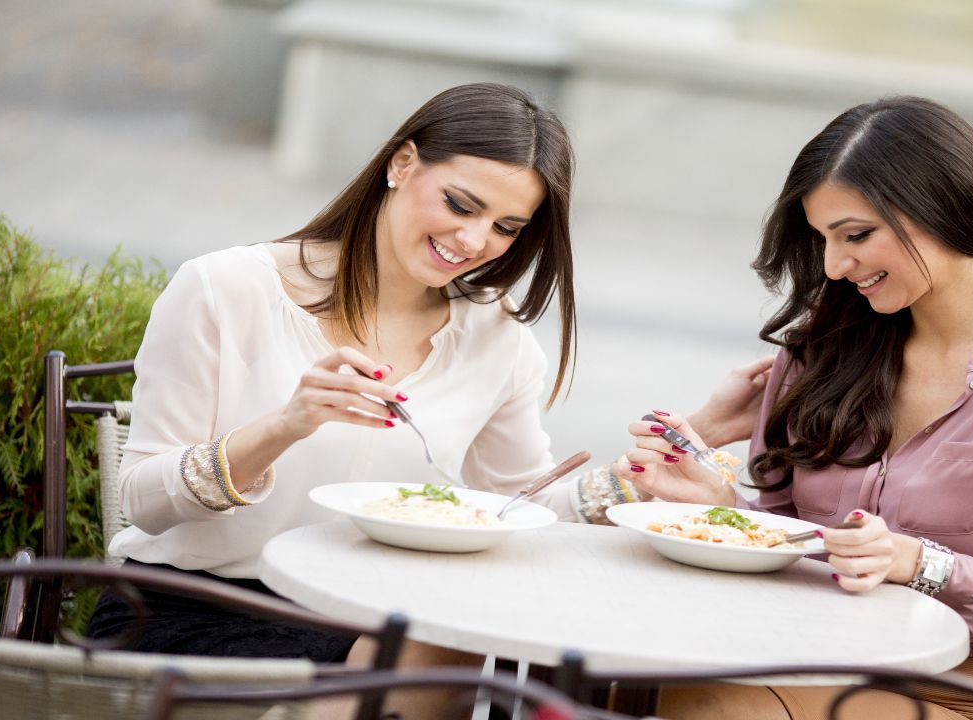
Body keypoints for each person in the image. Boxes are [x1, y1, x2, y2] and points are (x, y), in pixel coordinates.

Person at [612, 96, 973, 720]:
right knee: (614, 679)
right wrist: (725, 513)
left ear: (940, 206)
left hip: (963, 689)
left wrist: (920, 563)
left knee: (706, 705)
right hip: (790, 653)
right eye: (824, 241)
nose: (835, 267)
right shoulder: (825, 349)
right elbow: (791, 530)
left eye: (856, 236)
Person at [87, 83, 600, 672]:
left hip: (374, 620)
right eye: (460, 205)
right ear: (401, 164)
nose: (474, 242)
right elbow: (142, 502)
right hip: (198, 608)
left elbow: (522, 499)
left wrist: (648, 476)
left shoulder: (496, 337)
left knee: (448, 637)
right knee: (431, 649)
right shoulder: (225, 288)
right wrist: (284, 425)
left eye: (507, 227)